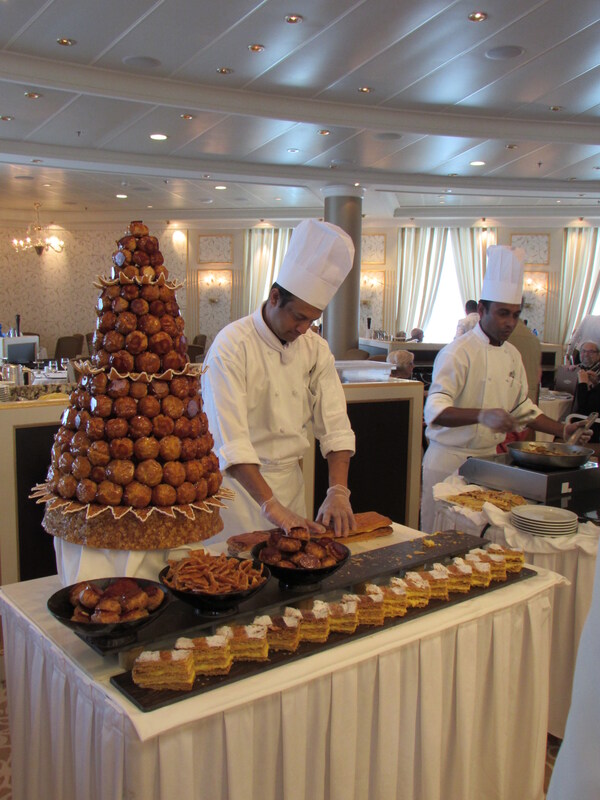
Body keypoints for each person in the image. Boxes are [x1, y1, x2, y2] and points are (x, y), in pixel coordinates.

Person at [202, 219, 357, 541]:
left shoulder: (314, 348)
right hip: (238, 493)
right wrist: (270, 505)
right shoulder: (231, 346)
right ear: (274, 297)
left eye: (312, 320)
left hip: (290, 486)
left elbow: (335, 424)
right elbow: (229, 440)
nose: (304, 329)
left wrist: (339, 490)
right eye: (299, 317)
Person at [420, 245, 592, 533]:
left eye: (515, 315)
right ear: (483, 310)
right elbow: (435, 410)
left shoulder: (512, 354)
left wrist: (562, 430)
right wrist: (482, 415)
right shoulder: (457, 353)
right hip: (448, 460)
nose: (510, 323)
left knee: (479, 543)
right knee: (439, 537)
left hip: (489, 463)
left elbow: (522, 408)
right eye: (502, 314)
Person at [508, 316, 542, 403]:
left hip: (506, 401)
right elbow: (538, 375)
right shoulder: (534, 339)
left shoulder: (502, 335)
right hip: (528, 400)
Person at [572, 341, 600, 441]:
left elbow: (583, 406)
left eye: (591, 352)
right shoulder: (579, 368)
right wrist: (595, 384)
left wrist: (583, 383)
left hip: (590, 427)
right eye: (584, 351)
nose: (587, 354)